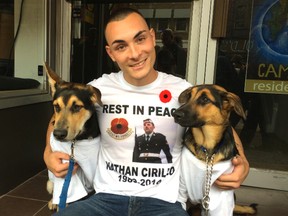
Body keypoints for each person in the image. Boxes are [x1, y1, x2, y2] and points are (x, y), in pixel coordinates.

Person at [44, 7, 249, 216]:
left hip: (164, 204)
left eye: (140, 39)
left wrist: (243, 161)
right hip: (105, 199)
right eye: (121, 46)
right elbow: (57, 117)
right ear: (111, 53)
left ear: (152, 37)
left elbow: (220, 122)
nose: (134, 54)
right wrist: (47, 154)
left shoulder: (182, 91)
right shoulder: (98, 89)